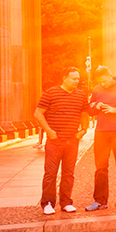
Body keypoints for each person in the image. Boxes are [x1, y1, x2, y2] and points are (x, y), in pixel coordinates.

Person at [34, 67, 89, 214]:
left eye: (78, 78)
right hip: (55, 141)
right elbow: (38, 113)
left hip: (72, 140)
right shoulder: (51, 93)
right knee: (51, 173)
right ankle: (47, 203)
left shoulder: (81, 95)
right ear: (64, 78)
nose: (77, 81)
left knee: (68, 173)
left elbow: (85, 113)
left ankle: (66, 202)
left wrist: (84, 130)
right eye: (73, 78)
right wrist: (49, 131)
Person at [86, 66, 116, 211]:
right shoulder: (97, 90)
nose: (102, 84)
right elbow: (90, 111)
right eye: (100, 82)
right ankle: (100, 201)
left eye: (104, 81)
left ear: (110, 76)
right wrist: (96, 105)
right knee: (100, 168)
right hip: (101, 133)